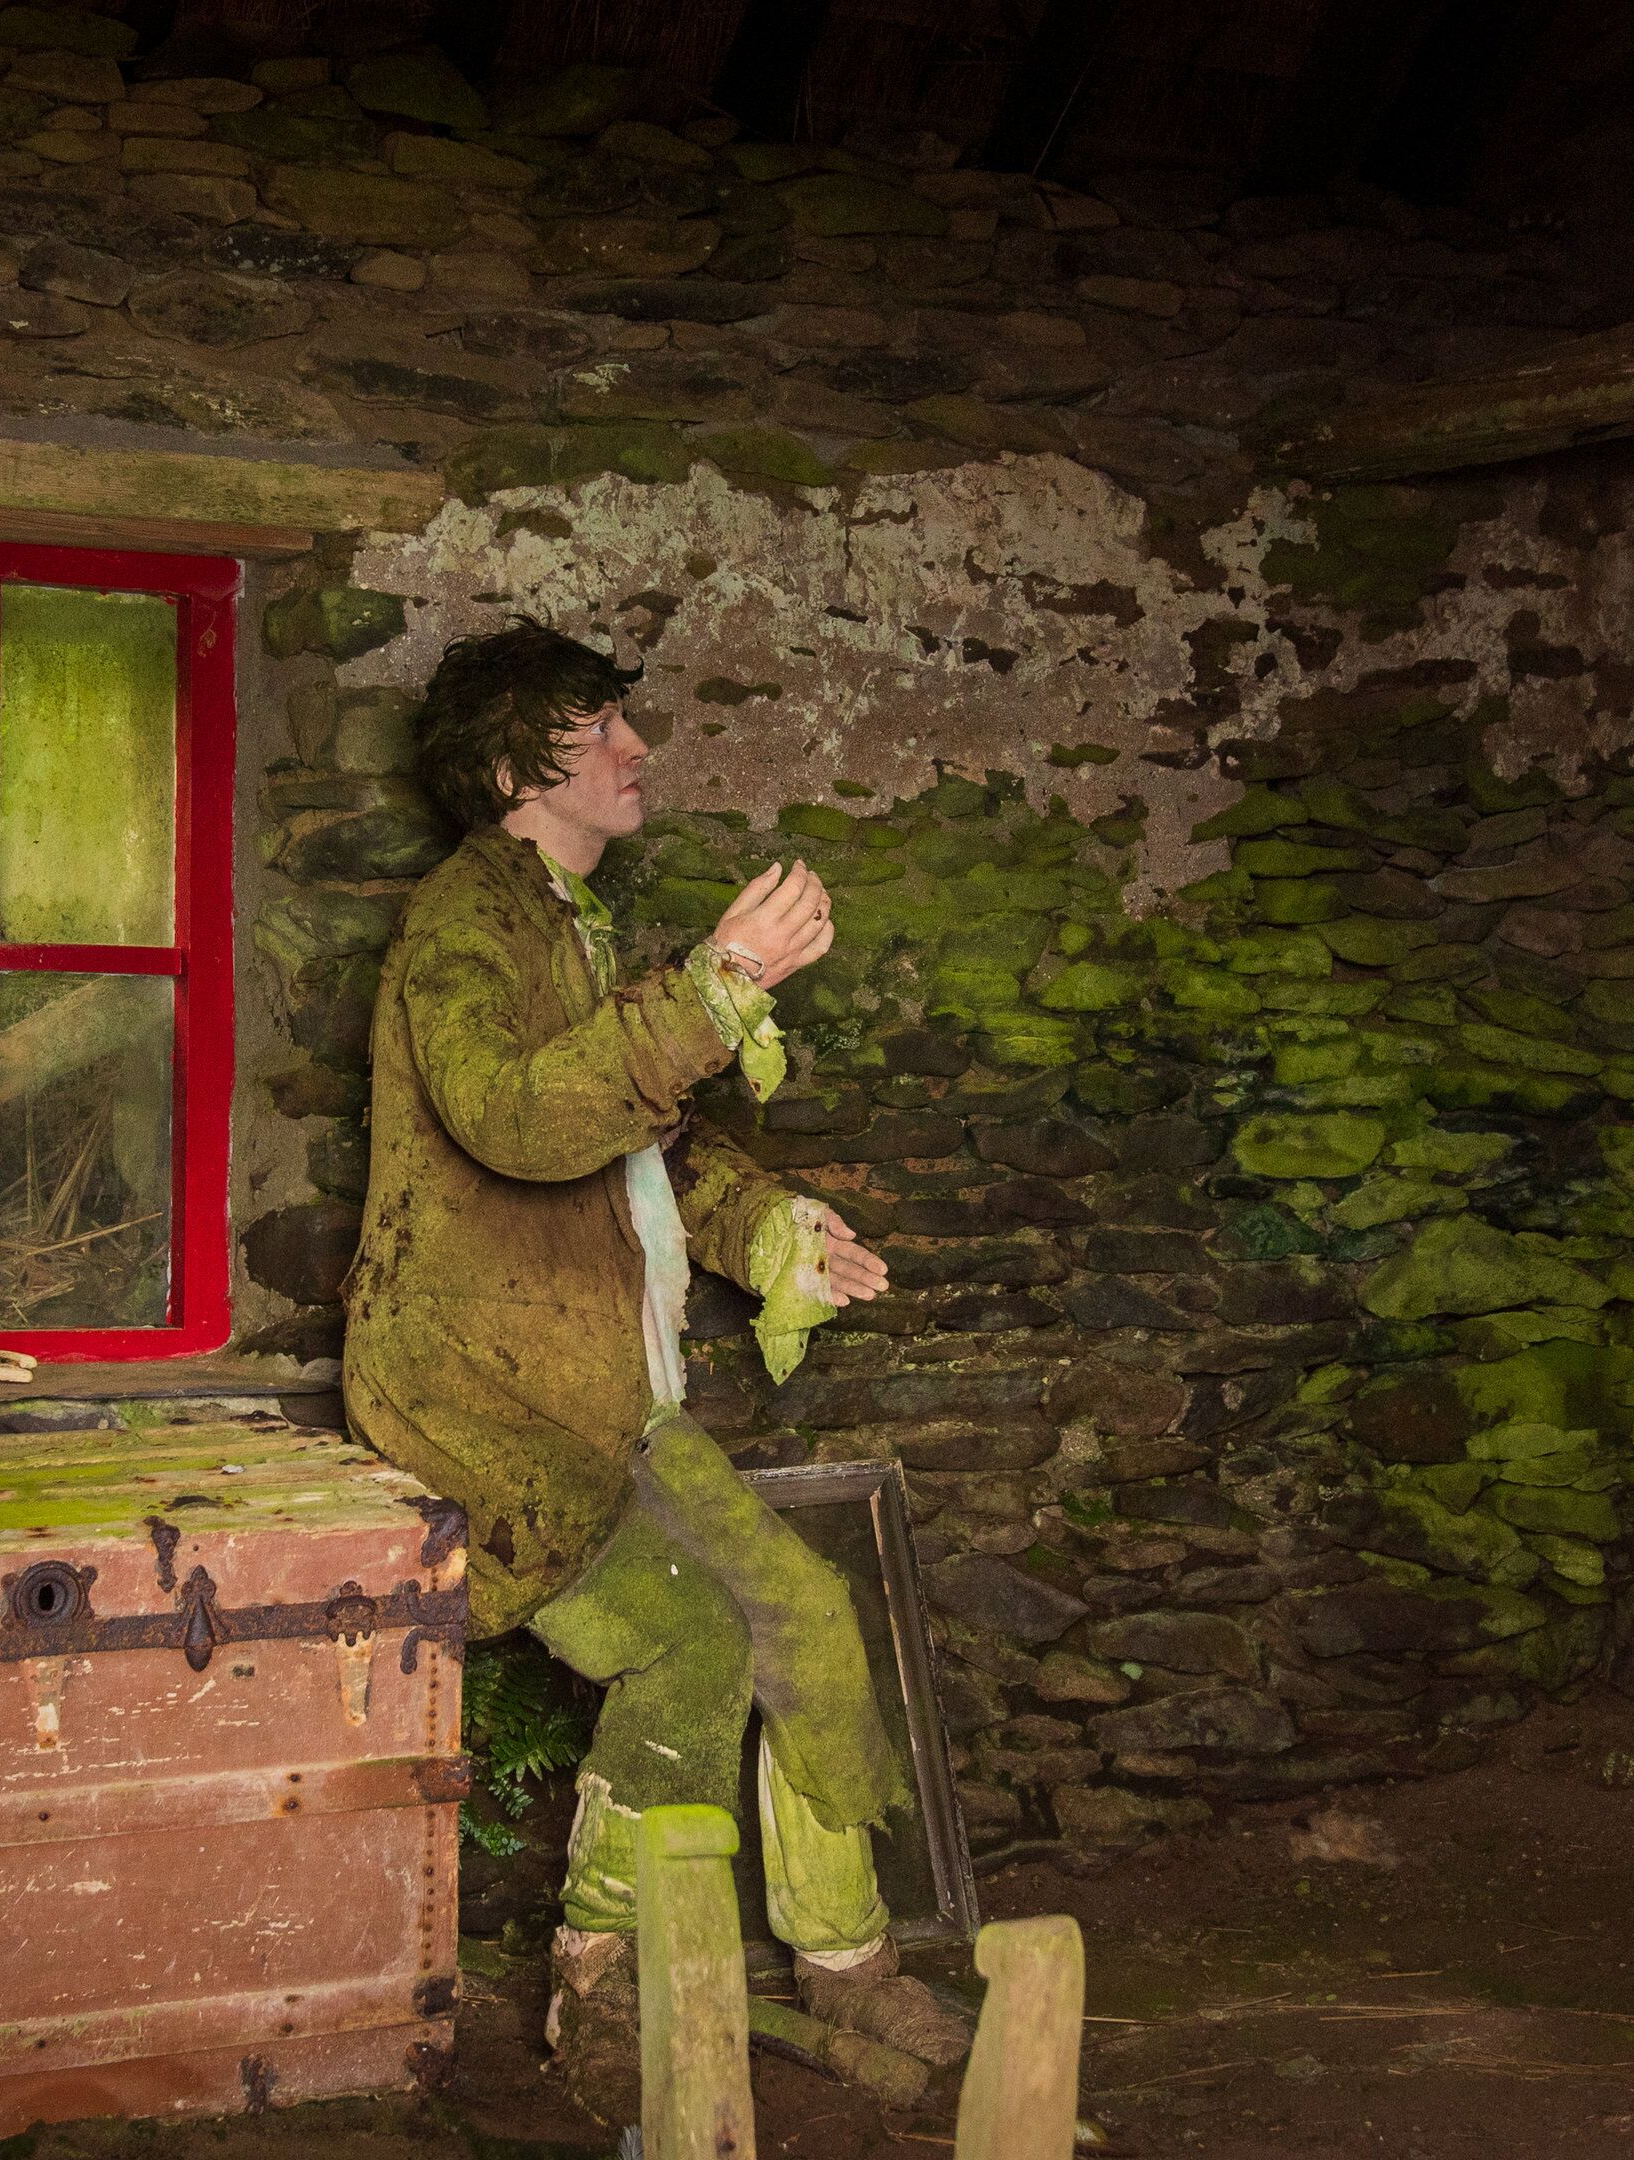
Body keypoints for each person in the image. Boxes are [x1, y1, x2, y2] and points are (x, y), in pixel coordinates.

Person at [341, 621, 976, 2115]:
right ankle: (602, 1987)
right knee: (688, 1642)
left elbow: (647, 1145)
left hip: (606, 1395)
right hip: (483, 1406)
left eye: (628, 721)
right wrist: (716, 988)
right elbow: (511, 1117)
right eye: (599, 727)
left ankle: (846, 1962)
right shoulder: (461, 928)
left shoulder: (575, 925)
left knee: (809, 1615)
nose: (638, 751)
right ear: (513, 769)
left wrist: (773, 1233)